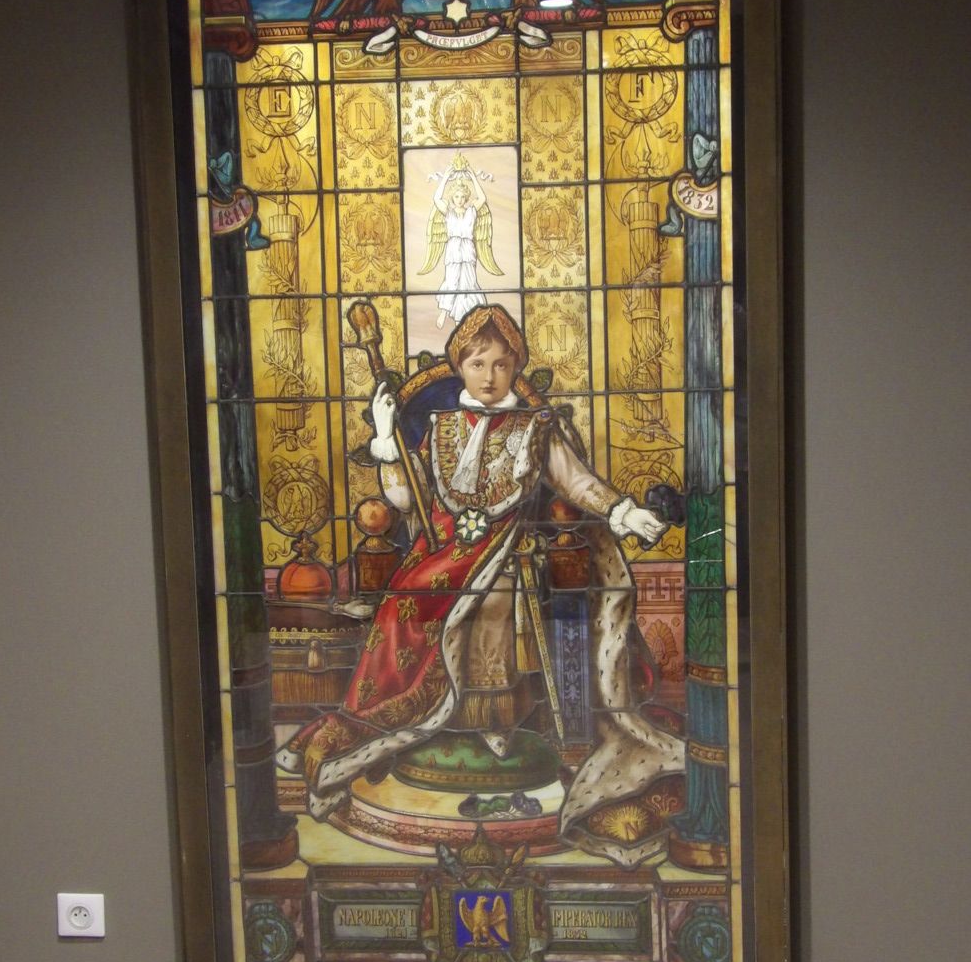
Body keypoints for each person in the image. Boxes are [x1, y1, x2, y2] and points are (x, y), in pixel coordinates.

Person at [277, 304, 684, 865]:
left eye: (500, 363)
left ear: (515, 365)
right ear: (460, 367)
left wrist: (622, 511)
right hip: (439, 553)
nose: (488, 375)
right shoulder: (442, 427)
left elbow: (577, 482)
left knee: (491, 599)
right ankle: (420, 723)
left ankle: (495, 726)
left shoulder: (537, 428)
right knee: (404, 602)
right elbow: (405, 499)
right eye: (476, 363)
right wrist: (387, 442)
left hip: (507, 548)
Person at [418, 155, 502, 328]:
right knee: (452, 279)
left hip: (468, 249)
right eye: (456, 196)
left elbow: (482, 199)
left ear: (466, 198)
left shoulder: (471, 211)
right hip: (454, 249)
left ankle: (464, 318)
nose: (460, 200)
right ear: (452, 197)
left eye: (463, 197)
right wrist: (445, 178)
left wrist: (472, 176)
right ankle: (444, 311)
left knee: (468, 281)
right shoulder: (448, 212)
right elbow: (436, 199)